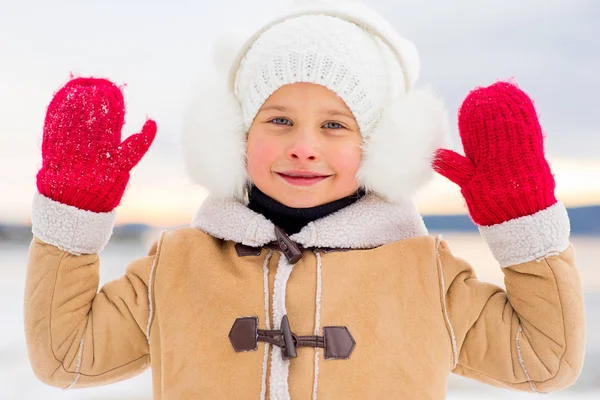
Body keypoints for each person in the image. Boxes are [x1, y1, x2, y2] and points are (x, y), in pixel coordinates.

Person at [24, 0, 585, 398]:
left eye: (336, 125)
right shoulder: (177, 264)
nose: (304, 148)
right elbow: (65, 357)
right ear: (238, 135)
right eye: (280, 120)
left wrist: (522, 220)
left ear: (378, 146)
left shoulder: (426, 273)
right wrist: (74, 215)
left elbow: (545, 360)